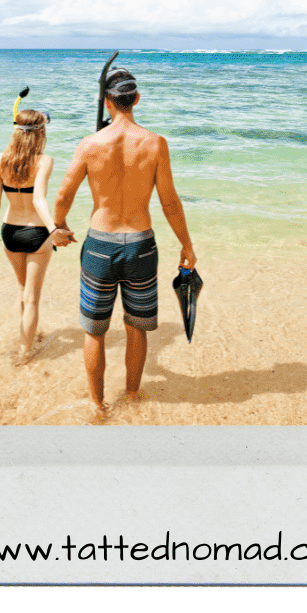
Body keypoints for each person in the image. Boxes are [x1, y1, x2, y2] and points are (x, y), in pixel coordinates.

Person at [52, 68, 197, 417]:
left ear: (107, 102)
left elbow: (63, 195)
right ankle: (132, 395)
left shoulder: (90, 144)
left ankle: (98, 405)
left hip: (100, 246)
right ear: (136, 100)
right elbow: (170, 202)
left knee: (95, 332)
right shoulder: (155, 143)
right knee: (136, 327)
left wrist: (58, 227)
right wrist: (187, 246)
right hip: (141, 246)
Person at [0, 95, 75, 360]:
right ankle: (25, 351)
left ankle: (26, 336)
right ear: (40, 133)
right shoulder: (44, 161)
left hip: (10, 232)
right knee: (32, 297)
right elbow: (39, 199)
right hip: (36, 233)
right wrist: (53, 229)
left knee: (23, 291)